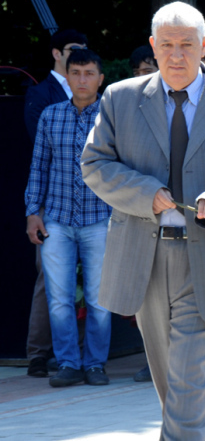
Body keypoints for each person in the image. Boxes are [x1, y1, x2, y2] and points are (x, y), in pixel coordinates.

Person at [81, 2, 205, 440]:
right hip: (143, 255)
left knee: (188, 378)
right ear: (153, 46)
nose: (175, 54)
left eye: (186, 44)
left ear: (204, 46)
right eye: (166, 45)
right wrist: (143, 192)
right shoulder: (121, 97)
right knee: (171, 379)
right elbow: (95, 164)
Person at [25, 49, 112, 387]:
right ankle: (67, 364)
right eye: (76, 73)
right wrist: (33, 213)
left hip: (101, 218)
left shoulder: (113, 116)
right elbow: (39, 167)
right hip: (57, 219)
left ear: (101, 78)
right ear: (68, 76)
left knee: (100, 299)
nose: (82, 80)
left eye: (89, 73)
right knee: (58, 298)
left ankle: (95, 364)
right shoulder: (50, 115)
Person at [23, 28, 88, 378]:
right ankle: (38, 353)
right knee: (49, 278)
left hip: (93, 203)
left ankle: (79, 354)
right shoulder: (40, 94)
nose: (78, 55)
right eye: (72, 50)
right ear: (56, 54)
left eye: (84, 51)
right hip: (52, 201)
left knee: (93, 278)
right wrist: (34, 209)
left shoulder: (96, 94)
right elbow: (39, 153)